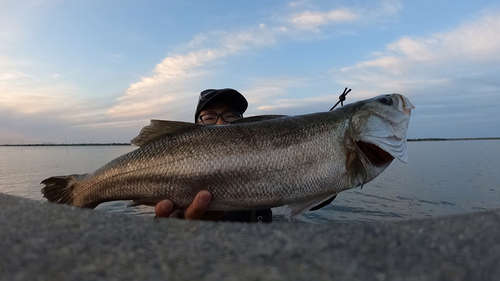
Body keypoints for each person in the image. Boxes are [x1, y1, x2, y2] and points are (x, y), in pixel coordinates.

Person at [154, 88, 335, 222]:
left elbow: (308, 192)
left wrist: (332, 166)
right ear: (194, 129)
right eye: (209, 118)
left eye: (230, 116)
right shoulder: (173, 169)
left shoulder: (264, 164)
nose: (221, 124)